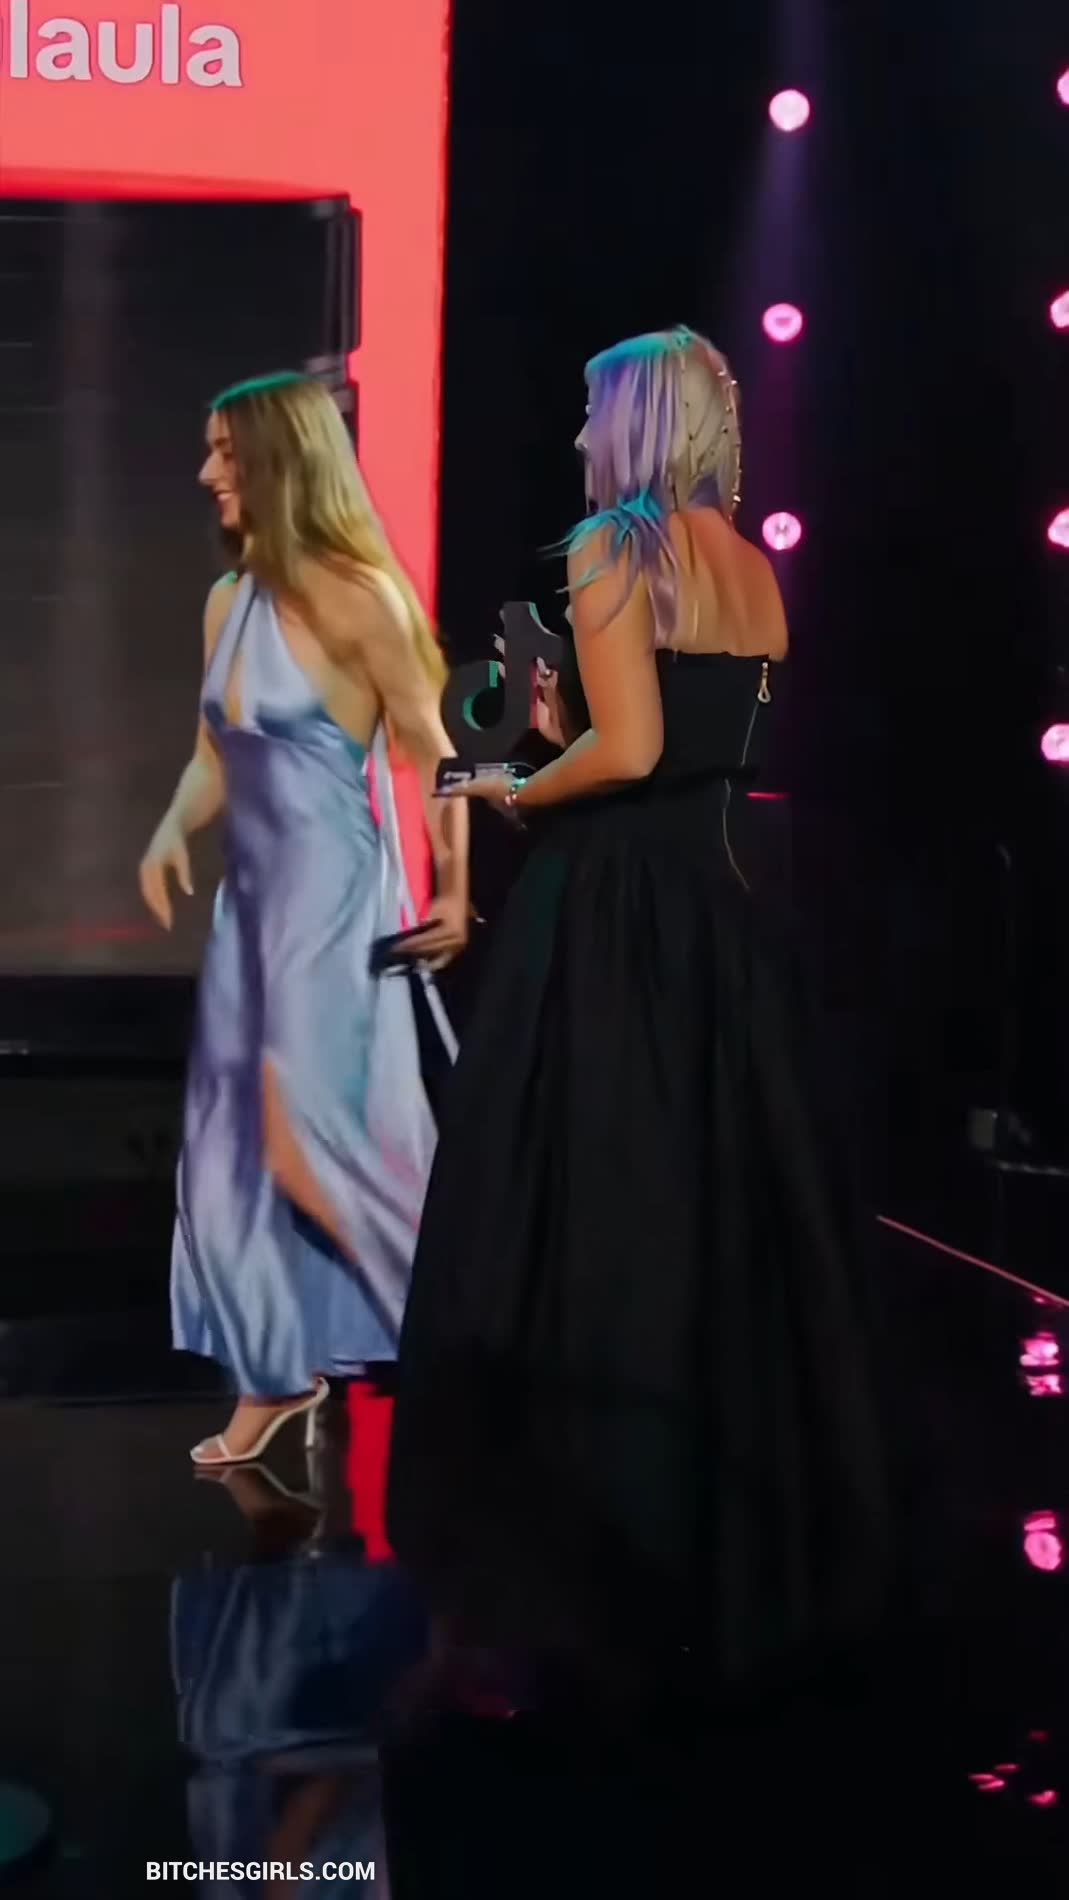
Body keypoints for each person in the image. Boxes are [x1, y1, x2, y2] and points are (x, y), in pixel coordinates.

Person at [387, 327, 892, 1693]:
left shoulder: (614, 545)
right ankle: (718, 1532)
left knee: (592, 1193)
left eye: (589, 412)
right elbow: (694, 747)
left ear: (630, 423)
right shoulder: (748, 562)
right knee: (712, 1204)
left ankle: (583, 1540)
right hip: (725, 911)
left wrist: (511, 786)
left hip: (613, 912)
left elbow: (632, 752)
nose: (574, 437)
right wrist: (563, 736)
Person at [139, 371, 467, 1467]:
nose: (206, 474)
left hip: (333, 910)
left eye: (227, 454)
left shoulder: (363, 599)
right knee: (226, 1159)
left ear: (282, 462)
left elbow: (435, 756)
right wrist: (170, 827)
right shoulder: (228, 603)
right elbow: (213, 754)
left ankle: (469, 1326)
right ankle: (274, 1373)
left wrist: (451, 890)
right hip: (252, 913)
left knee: (305, 1142)